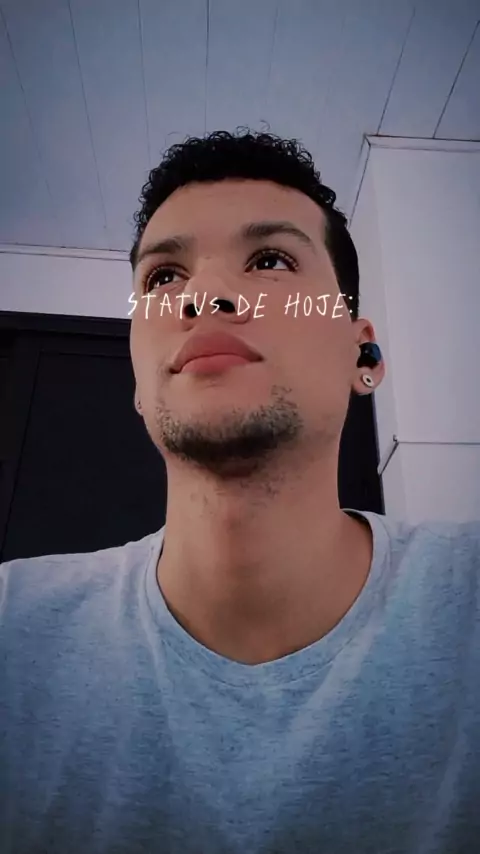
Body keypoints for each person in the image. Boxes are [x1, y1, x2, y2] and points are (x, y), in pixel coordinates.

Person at [1, 130, 479, 854]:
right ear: (137, 384)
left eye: (270, 260)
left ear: (362, 351)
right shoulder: (13, 635)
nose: (204, 295)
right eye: (164, 277)